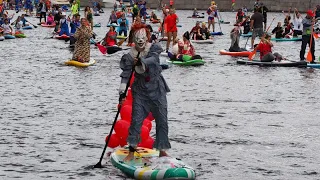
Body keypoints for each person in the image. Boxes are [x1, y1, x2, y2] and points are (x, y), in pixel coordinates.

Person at [119, 24, 171, 162]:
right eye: (137, 40)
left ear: (147, 37)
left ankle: (162, 150)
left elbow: (154, 59)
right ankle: (131, 150)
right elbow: (125, 75)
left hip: (157, 88)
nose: (141, 42)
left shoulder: (153, 48)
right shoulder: (129, 56)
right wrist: (122, 94)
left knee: (162, 120)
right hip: (140, 91)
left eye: (143, 39)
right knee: (136, 120)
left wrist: (141, 61)